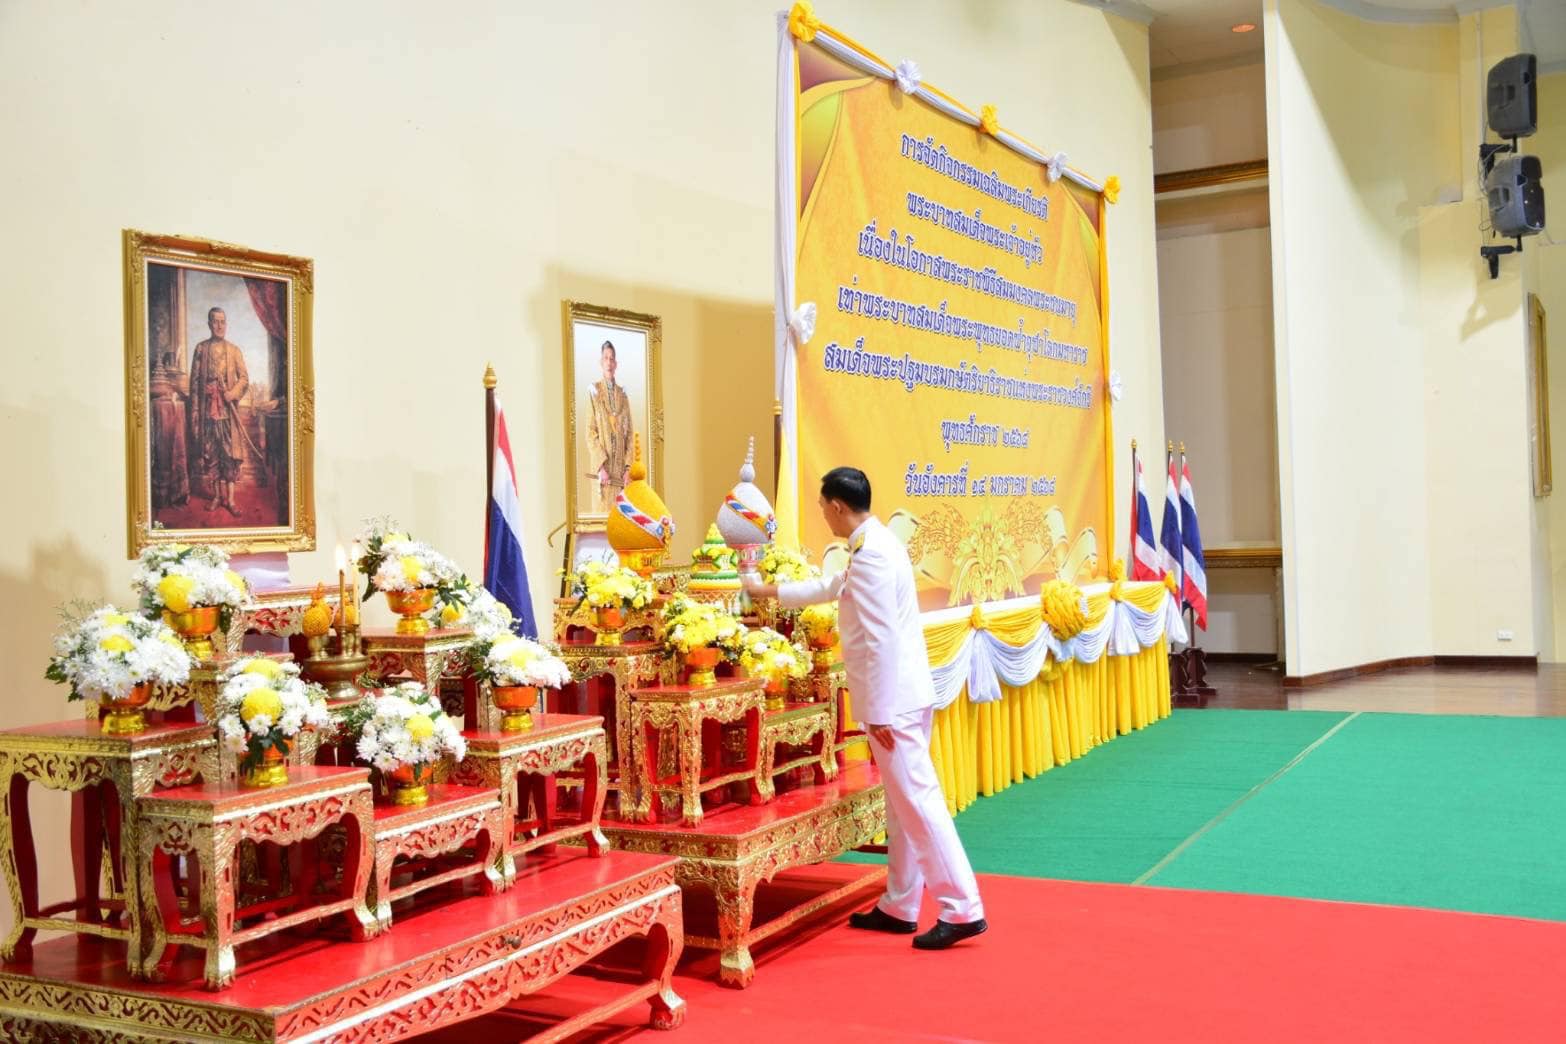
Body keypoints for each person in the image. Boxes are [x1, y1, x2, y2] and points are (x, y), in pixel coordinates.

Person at [743, 467, 987, 950]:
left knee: (917, 801)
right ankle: (900, 904)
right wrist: (768, 591)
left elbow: (879, 639)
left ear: (837, 506)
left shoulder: (872, 552)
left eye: (822, 507)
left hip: (893, 702)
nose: (822, 514)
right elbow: (834, 586)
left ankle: (963, 907)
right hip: (904, 695)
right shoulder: (875, 544)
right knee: (903, 803)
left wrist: (878, 712)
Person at [188, 306, 250, 515]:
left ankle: (230, 500)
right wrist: (195, 412)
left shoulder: (234, 350)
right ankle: (216, 496)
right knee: (211, 454)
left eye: (223, 321)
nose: (219, 325)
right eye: (215, 321)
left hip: (227, 414)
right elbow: (194, 383)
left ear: (226, 324)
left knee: (229, 456)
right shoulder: (200, 349)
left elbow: (244, 379)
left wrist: (232, 393)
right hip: (208, 413)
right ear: (209, 324)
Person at [586, 339, 633, 512]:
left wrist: (628, 469)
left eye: (612, 358)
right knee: (602, 522)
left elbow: (630, 435)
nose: (609, 362)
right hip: (603, 477)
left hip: (621, 478)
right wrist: (600, 467)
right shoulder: (594, 392)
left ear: (616, 364)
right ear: (601, 362)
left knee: (621, 522)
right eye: (606, 358)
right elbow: (590, 432)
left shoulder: (623, 395)